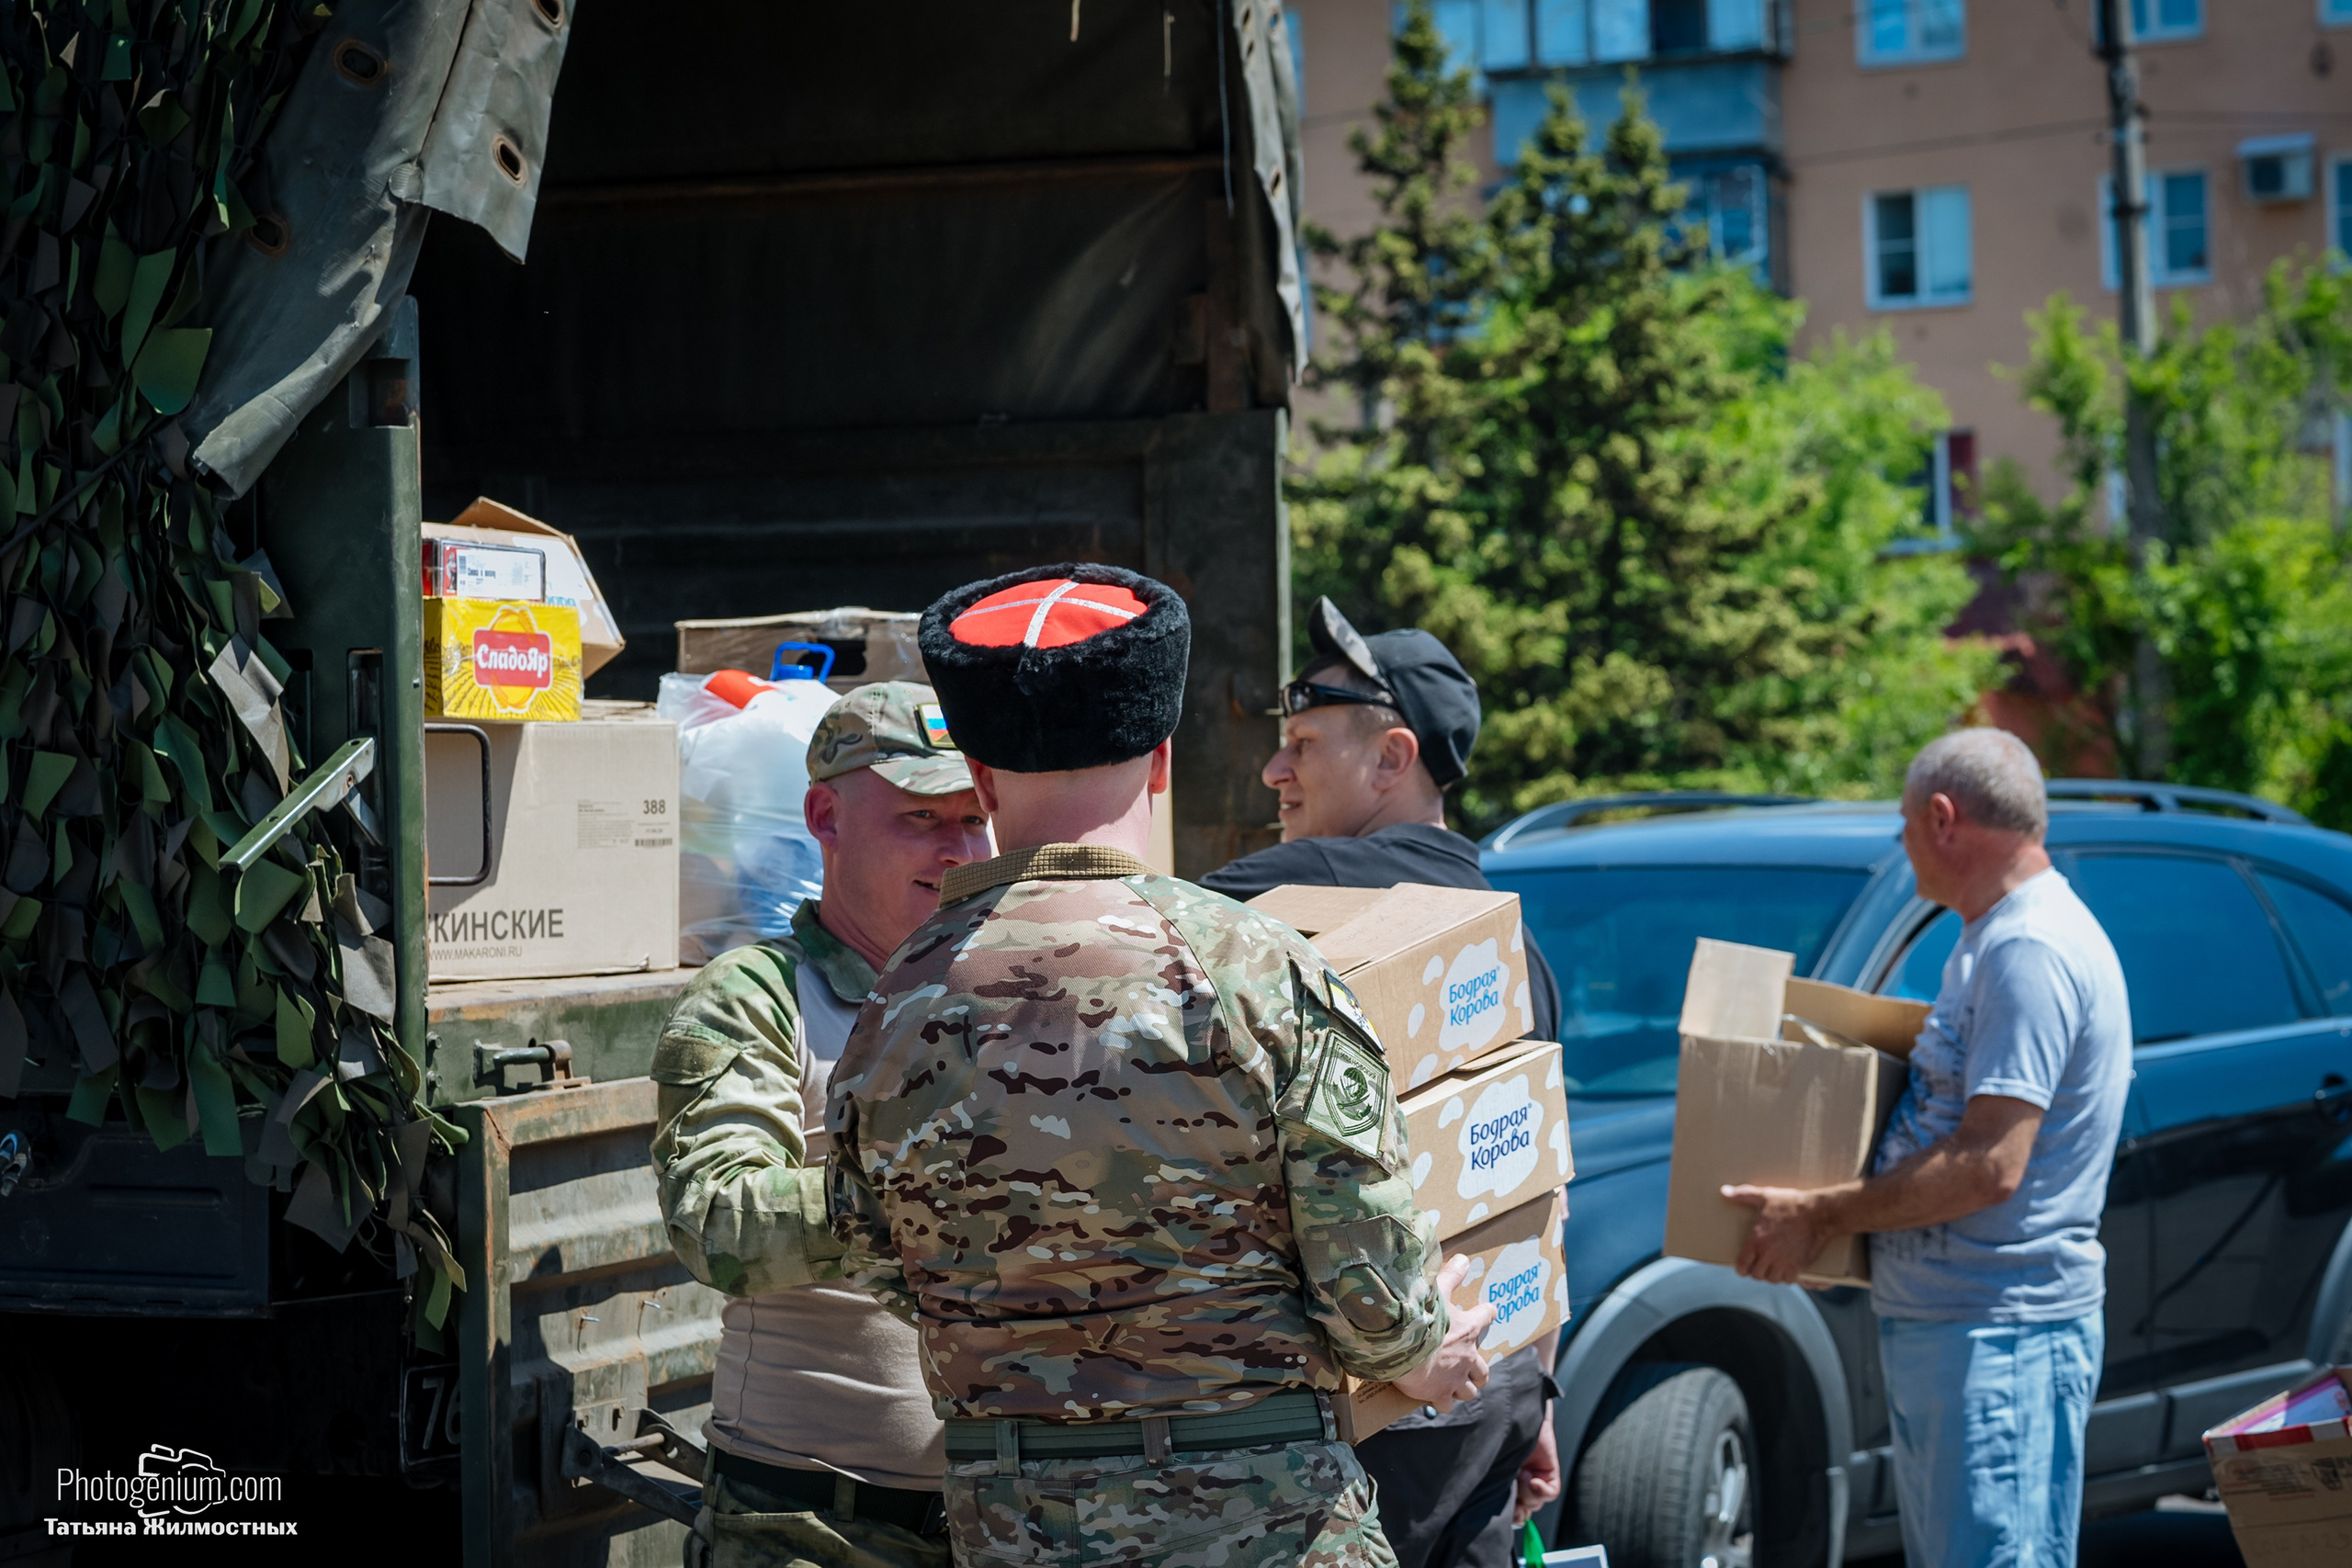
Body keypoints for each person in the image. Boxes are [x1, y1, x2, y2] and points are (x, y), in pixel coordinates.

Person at [826, 563, 1497, 1568]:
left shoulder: (896, 998)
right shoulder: (1256, 970)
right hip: (1265, 1532)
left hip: (1015, 1534)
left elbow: (878, 1259)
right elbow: (1375, 1300)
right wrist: (1423, 1355)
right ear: (1161, 762)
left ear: (978, 776)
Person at [1199, 598, 1565, 1568]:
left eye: (1304, 744)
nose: (1274, 771)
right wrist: (1540, 1399)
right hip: (1497, 1382)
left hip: (1384, 1401)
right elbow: (1537, 1187)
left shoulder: (1306, 893)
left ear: (1391, 760)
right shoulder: (1512, 937)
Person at [1722, 728, 2131, 1568]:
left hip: (1997, 1333)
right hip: (1971, 1326)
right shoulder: (1996, 935)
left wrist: (1819, 1212)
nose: (1903, 844)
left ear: (1943, 817)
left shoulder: (2028, 947)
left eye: (1905, 824)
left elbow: (1990, 1163)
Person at [650, 681, 992, 1568]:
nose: (959, 848)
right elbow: (716, 1222)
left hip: (1004, 1524)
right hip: (811, 1528)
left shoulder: (1015, 992)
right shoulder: (759, 997)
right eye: (921, 817)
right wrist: (933, 1188)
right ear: (825, 815)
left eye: (974, 815)